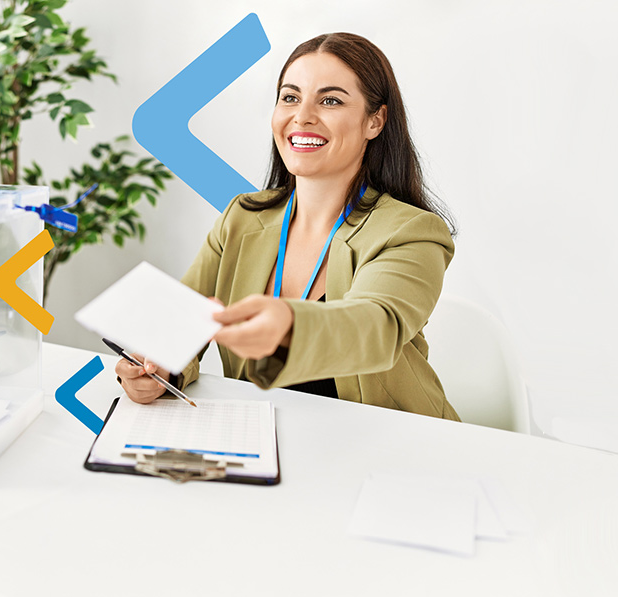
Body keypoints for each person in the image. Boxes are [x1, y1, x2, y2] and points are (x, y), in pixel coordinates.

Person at [116, 32, 461, 420]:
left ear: (375, 121)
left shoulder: (412, 231)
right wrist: (159, 367)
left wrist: (289, 325)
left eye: (330, 100)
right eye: (290, 97)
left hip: (390, 447)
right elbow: (182, 327)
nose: (302, 116)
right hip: (267, 439)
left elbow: (375, 328)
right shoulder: (242, 217)